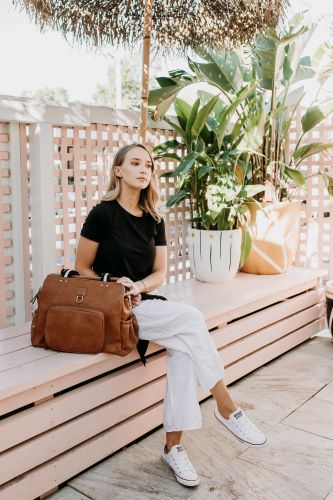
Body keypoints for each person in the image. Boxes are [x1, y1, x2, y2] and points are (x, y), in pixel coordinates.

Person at [75, 143, 267, 488]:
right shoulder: (102, 214)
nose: (143, 169)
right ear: (118, 170)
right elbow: (81, 268)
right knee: (191, 321)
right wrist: (114, 285)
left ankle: (173, 447)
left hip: (142, 303)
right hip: (108, 309)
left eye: (148, 164)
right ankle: (226, 406)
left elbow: (159, 273)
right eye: (135, 163)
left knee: (183, 349)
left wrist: (137, 285)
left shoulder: (153, 219)